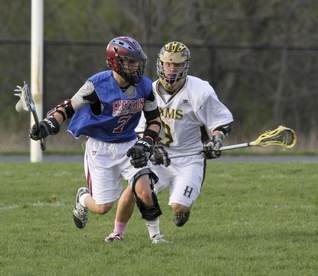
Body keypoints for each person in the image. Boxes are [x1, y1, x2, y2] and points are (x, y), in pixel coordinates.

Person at [29, 36, 165, 243]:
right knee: (102, 207)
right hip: (100, 149)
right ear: (115, 62)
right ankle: (83, 198)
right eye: (129, 61)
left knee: (144, 189)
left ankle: (156, 237)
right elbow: (68, 107)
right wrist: (48, 124)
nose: (135, 66)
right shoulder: (96, 84)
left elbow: (155, 120)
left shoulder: (145, 87)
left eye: (136, 61)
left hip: (129, 144)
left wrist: (146, 142)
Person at [106, 41, 234, 243]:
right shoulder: (148, 90)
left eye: (177, 65)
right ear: (160, 64)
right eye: (167, 64)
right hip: (158, 156)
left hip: (189, 158)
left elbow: (221, 122)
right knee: (133, 189)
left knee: (178, 207)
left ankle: (183, 208)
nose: (171, 69)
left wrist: (216, 141)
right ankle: (117, 233)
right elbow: (139, 127)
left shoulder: (200, 91)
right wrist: (152, 147)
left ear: (186, 66)